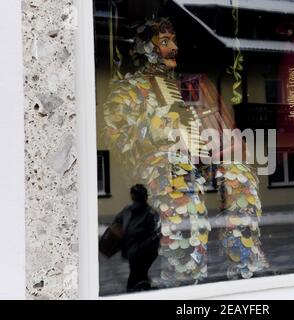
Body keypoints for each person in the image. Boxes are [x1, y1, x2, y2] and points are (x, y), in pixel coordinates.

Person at [104, 17, 268, 288]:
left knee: (239, 172)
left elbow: (206, 125)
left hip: (196, 158)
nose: (174, 48)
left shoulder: (183, 86)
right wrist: (160, 134)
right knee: (182, 182)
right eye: (165, 42)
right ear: (145, 48)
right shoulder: (126, 90)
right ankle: (185, 276)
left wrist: (220, 145)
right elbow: (120, 140)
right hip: (161, 164)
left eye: (174, 41)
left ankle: (245, 265)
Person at [111, 184, 160, 292]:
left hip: (142, 252)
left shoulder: (150, 213)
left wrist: (139, 249)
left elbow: (155, 235)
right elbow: (116, 224)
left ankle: (138, 291)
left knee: (136, 277)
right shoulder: (128, 210)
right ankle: (145, 289)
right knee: (139, 275)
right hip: (133, 251)